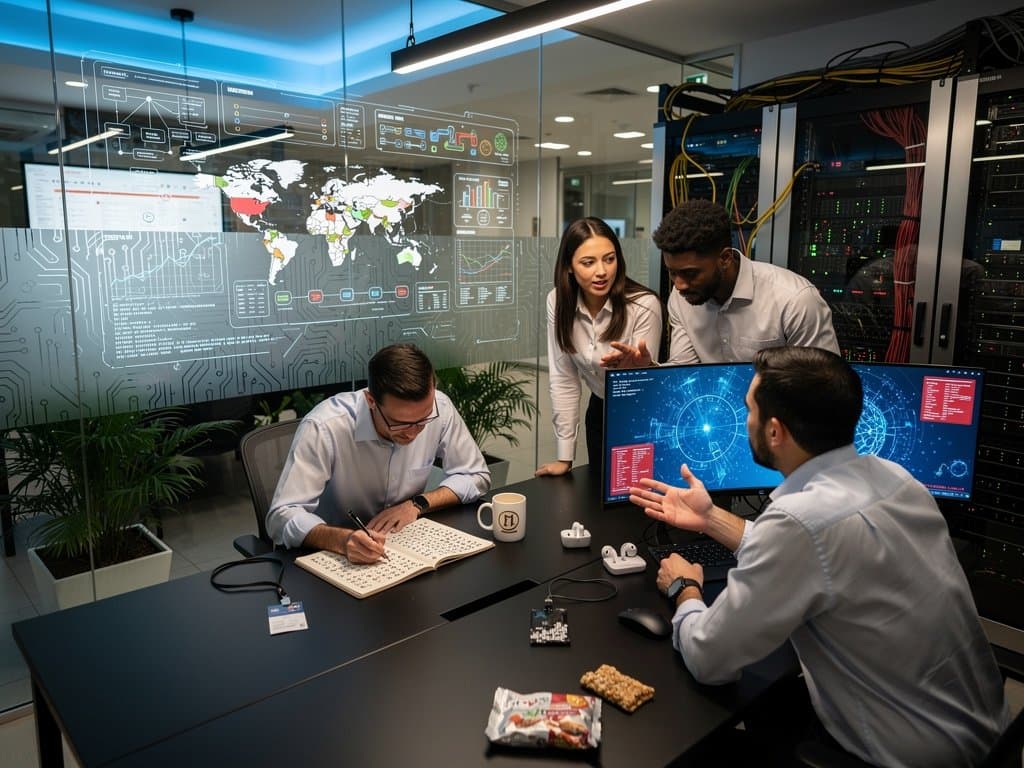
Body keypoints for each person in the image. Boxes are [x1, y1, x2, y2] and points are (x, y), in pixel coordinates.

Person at [629, 346, 1009, 767]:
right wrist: (711, 518)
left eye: (749, 409)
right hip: (985, 739)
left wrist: (686, 588)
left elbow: (709, 658)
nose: (745, 420)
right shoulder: (897, 480)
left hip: (902, 756)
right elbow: (819, 551)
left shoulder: (799, 522)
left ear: (775, 432)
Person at [266, 343, 491, 563]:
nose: (413, 433)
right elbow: (281, 517)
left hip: (401, 548)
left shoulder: (439, 407)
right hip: (332, 554)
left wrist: (418, 503)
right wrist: (342, 540)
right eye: (400, 424)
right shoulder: (325, 427)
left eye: (423, 420)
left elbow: (476, 476)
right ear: (371, 401)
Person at [602, 199, 838, 368]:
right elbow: (686, 372)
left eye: (690, 274)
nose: (680, 285)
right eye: (672, 273)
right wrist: (648, 370)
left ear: (725, 258)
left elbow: (822, 385)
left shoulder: (795, 300)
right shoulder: (681, 298)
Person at [535, 217, 661, 476]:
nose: (602, 271)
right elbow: (564, 380)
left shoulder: (644, 305)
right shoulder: (557, 301)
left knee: (638, 502)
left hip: (643, 415)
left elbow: (650, 385)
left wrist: (639, 369)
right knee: (598, 496)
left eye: (609, 259)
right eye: (588, 262)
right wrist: (565, 457)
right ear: (569, 266)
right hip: (600, 411)